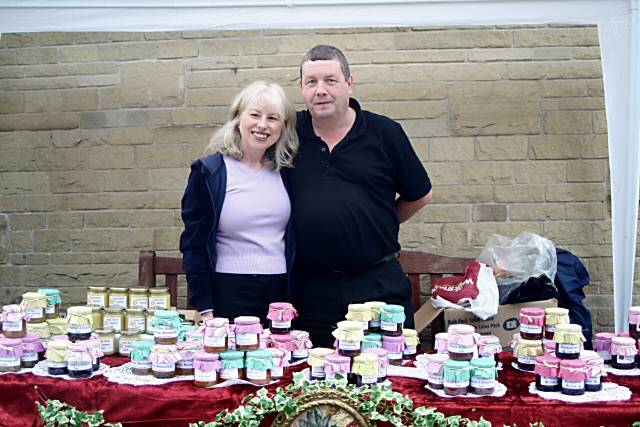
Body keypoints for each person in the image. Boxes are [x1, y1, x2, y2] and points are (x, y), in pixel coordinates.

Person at [289, 45, 433, 347]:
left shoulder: (384, 133)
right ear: (301, 88)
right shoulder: (289, 133)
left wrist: (378, 223)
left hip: (377, 283)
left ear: (349, 83)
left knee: (389, 380)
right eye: (311, 82)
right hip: (311, 290)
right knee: (314, 384)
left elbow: (420, 194)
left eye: (330, 80)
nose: (321, 90)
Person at [179, 80, 298, 321]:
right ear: (238, 118)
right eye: (255, 115)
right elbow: (195, 245)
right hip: (227, 292)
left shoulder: (289, 173)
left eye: (273, 118)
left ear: (283, 127)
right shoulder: (209, 173)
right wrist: (206, 308)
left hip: (280, 294)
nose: (262, 125)